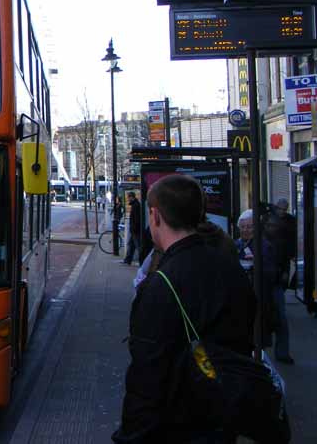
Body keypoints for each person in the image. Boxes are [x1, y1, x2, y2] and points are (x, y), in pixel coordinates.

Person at [113, 174, 256, 444]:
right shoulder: (231, 269)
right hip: (224, 417)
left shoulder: (160, 285)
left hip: (177, 425)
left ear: (155, 216)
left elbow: (146, 380)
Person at [238, 207, 294, 364]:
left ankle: (281, 352)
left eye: (249, 227)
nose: (246, 230)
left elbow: (273, 267)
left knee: (278, 318)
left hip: (270, 287)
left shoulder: (265, 244)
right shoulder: (238, 244)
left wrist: (255, 265)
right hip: (252, 288)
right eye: (243, 227)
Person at [122, 192, 142, 266]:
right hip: (134, 229)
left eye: (128, 197)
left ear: (132, 197)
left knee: (138, 246)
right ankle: (128, 259)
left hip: (135, 230)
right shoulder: (135, 204)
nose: (127, 199)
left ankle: (141, 261)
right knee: (131, 244)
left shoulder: (135, 205)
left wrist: (134, 228)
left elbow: (136, 219)